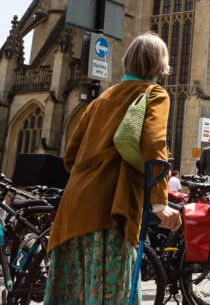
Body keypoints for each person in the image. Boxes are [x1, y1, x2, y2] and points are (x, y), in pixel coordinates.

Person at [44, 32, 182, 304]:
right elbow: (154, 145)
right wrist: (158, 203)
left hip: (72, 213)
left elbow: (70, 158)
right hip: (111, 212)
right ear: (160, 64)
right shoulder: (154, 93)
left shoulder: (100, 100)